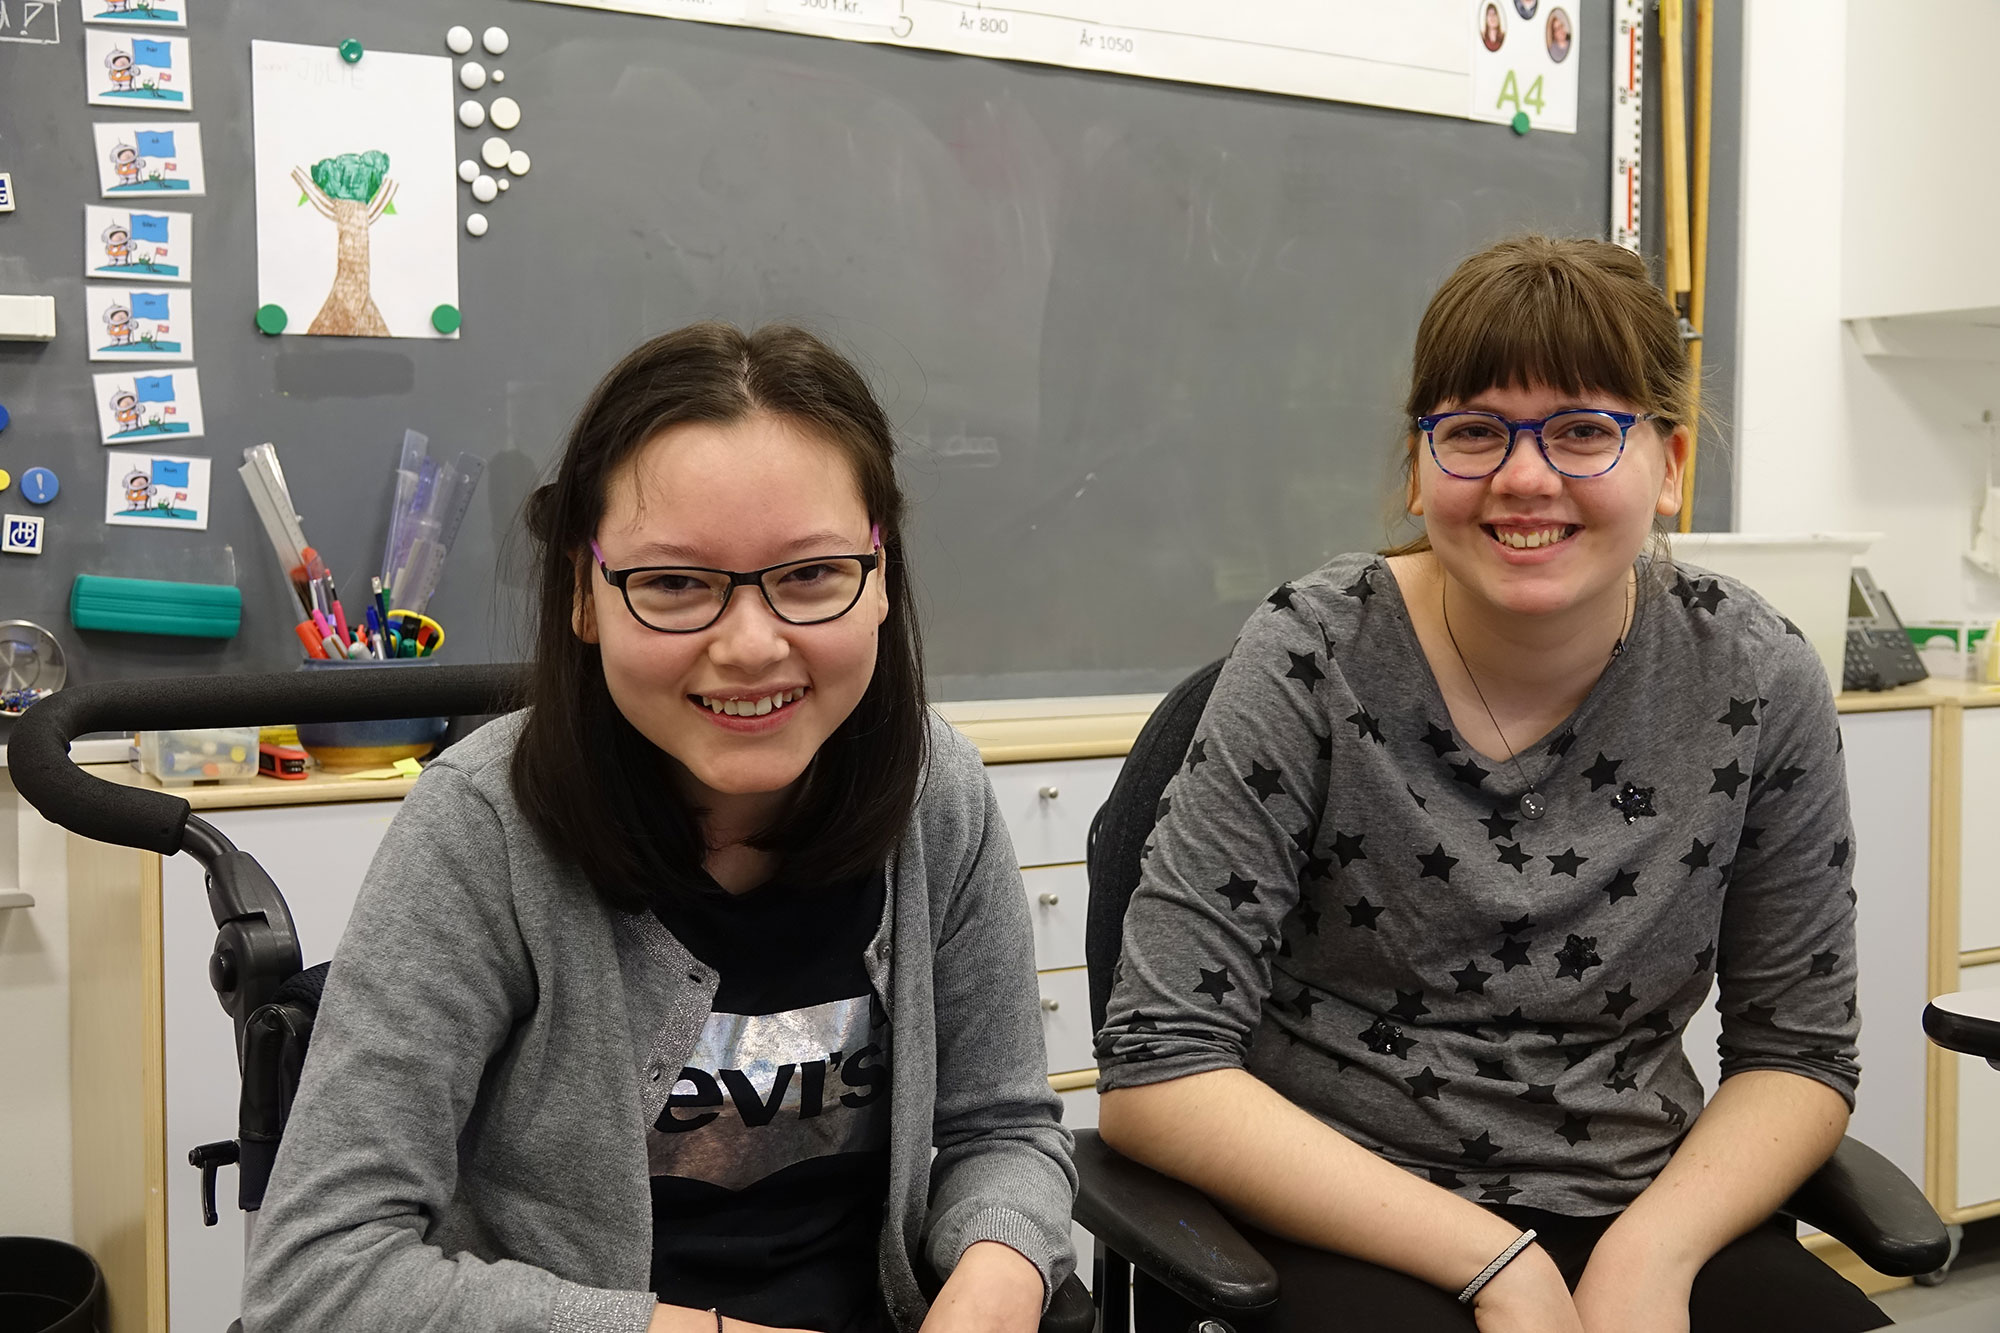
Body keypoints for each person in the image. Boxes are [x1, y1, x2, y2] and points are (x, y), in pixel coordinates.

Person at [1093, 236, 1888, 1333]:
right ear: (1419, 470)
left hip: (1642, 1202)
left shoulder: (1755, 677)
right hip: (1345, 1207)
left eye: (1581, 430)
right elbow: (1157, 1067)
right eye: (1472, 431)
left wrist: (1645, 1260)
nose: (1523, 476)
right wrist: (1499, 1267)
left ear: (1666, 465)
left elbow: (1797, 1053)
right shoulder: (1308, 656)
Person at [241, 323, 1076, 1333]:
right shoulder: (478, 831)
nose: (752, 646)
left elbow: (1003, 1128)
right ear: (586, 597)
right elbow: (320, 1274)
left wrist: (994, 1279)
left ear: (882, 574)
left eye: (811, 574)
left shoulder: (934, 795)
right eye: (675, 583)